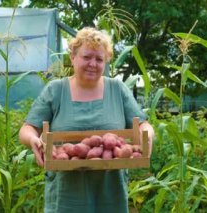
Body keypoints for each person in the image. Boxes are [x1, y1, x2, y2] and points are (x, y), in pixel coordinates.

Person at [19, 27, 154, 213]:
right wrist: (33, 139)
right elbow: (27, 129)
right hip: (66, 194)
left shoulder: (117, 89)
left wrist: (147, 136)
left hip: (110, 193)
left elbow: (143, 124)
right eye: (87, 57)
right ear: (73, 57)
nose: (93, 63)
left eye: (99, 59)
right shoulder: (56, 90)